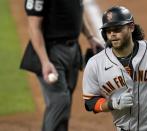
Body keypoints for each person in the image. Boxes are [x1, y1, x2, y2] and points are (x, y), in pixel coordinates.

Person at [82, 6, 147, 131]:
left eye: (117, 29)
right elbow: (90, 102)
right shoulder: (95, 64)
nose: (112, 34)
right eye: (108, 31)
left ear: (131, 27)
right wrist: (112, 103)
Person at [20, 0, 102, 131]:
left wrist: (90, 37)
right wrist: (45, 61)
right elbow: (34, 27)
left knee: (64, 104)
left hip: (73, 50)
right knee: (60, 101)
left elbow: (77, 12)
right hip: (51, 53)